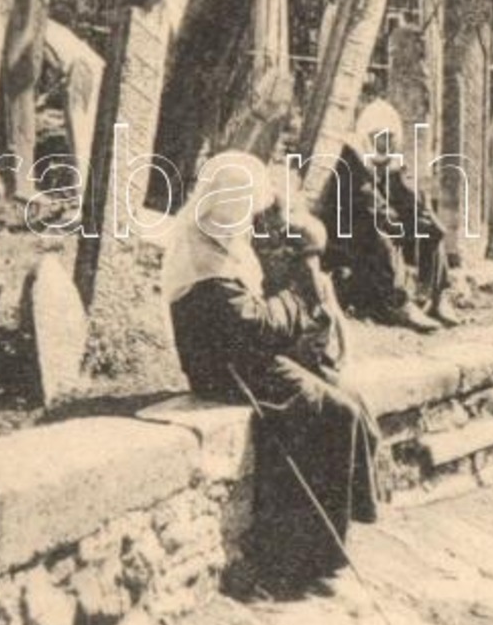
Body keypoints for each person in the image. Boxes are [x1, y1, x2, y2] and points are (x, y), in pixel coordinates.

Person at [164, 152, 380, 591]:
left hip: (249, 357)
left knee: (350, 399)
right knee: (332, 413)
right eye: (242, 208)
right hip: (225, 369)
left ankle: (339, 529)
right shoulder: (201, 255)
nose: (247, 218)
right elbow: (256, 325)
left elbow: (262, 316)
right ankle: (311, 561)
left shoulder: (221, 240)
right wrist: (298, 297)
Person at [319, 99, 460, 333]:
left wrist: (421, 217)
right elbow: (370, 206)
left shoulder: (389, 160)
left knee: (429, 227)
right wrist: (402, 224)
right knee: (379, 234)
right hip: (347, 236)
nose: (384, 144)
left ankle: (438, 294)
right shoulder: (351, 160)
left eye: (389, 138)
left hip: (380, 222)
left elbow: (403, 196)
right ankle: (397, 303)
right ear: (367, 136)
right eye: (379, 138)